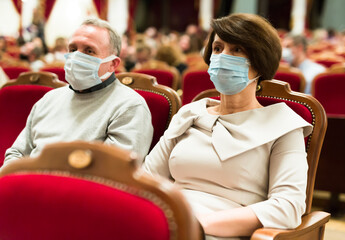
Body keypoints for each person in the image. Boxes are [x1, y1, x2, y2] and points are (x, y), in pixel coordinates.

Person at [143, 13, 312, 240]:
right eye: (218, 48)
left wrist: (197, 225)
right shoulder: (190, 113)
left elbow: (288, 207)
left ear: (260, 62)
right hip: (167, 223)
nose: (223, 57)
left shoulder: (283, 125)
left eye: (237, 50)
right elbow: (146, 179)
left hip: (218, 232)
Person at [3, 19, 153, 165]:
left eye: (89, 51)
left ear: (112, 64)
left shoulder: (129, 106)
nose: (76, 57)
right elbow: (16, 153)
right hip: (26, 185)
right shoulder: (49, 98)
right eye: (73, 49)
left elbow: (113, 173)